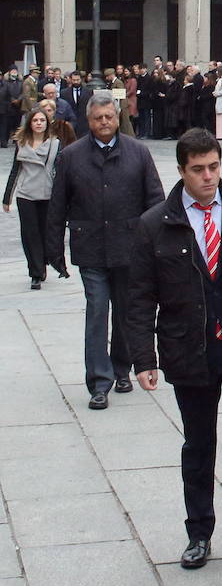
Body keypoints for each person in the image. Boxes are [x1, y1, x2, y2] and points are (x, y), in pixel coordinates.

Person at [126, 129, 222, 570]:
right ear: (181, 171)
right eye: (198, 170)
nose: (208, 177)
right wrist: (143, 358)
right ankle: (198, 531)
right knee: (198, 444)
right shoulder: (156, 223)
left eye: (213, 167)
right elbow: (139, 297)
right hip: (188, 348)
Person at [48, 94, 164, 410]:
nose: (104, 123)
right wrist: (54, 248)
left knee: (127, 312)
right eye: (98, 118)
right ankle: (99, 382)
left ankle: (122, 368)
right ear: (89, 120)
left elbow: (155, 201)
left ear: (117, 117)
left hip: (130, 248)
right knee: (97, 310)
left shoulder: (138, 153)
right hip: (91, 247)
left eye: (108, 117)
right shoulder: (71, 156)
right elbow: (58, 204)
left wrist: (157, 243)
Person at [4, 108, 67, 289]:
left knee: (46, 232)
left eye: (42, 120)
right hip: (26, 194)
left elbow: (60, 171)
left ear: (47, 124)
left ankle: (46, 262)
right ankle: (36, 272)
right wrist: (7, 198)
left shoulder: (55, 144)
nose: (38, 123)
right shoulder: (21, 143)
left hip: (47, 194)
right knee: (30, 234)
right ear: (29, 123)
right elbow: (15, 171)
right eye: (35, 120)